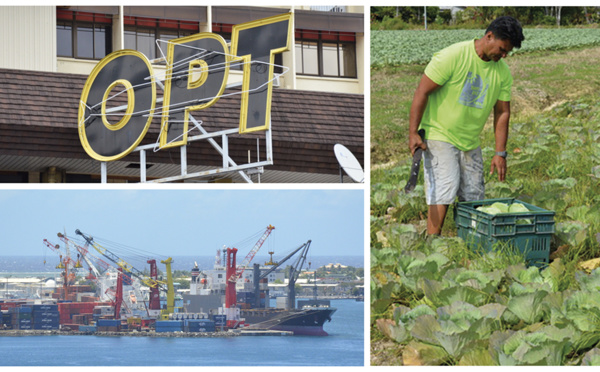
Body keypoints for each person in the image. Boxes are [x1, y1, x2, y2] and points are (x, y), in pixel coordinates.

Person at [408, 16, 525, 235]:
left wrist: (500, 152)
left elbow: (502, 112)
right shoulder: (452, 56)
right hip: (439, 133)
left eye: (507, 52)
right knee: (445, 186)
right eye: (502, 49)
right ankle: (433, 242)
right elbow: (422, 91)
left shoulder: (502, 72)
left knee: (474, 194)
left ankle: (470, 242)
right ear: (489, 36)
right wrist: (413, 132)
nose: (504, 55)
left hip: (470, 140)